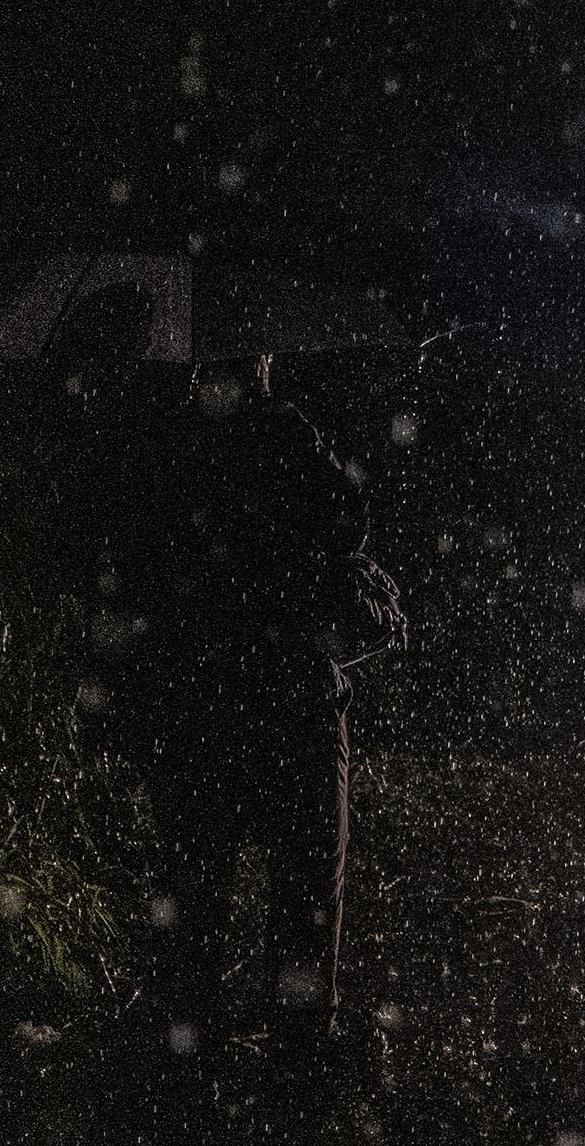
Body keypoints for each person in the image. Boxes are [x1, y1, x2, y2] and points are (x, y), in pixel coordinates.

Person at [122, 350, 398, 1087]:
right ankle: (297, 1062)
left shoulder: (163, 451)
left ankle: (191, 1060)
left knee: (196, 897)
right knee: (304, 893)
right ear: (259, 364)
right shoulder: (281, 444)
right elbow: (346, 522)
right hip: (288, 703)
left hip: (195, 708)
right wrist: (286, 427)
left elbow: (131, 565)